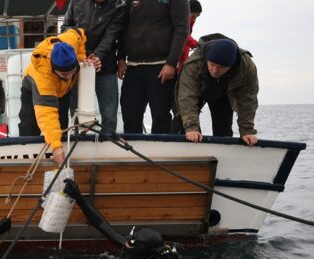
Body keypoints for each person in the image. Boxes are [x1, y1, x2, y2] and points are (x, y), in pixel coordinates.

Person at [63, 179, 181, 259]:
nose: (128, 239)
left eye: (132, 240)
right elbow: (101, 224)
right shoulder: (131, 247)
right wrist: (79, 198)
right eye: (131, 234)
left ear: (142, 248)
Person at [17, 28, 94, 165]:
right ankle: (27, 160)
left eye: (72, 71)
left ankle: (61, 151)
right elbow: (47, 114)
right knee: (29, 125)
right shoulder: (44, 76)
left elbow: (80, 33)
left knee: (62, 123)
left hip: (62, 90)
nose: (69, 76)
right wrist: (56, 147)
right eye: (65, 74)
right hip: (33, 88)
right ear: (54, 69)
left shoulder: (71, 41)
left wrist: (82, 56)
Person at [172, 34, 259, 146]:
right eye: (212, 65)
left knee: (223, 127)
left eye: (220, 67)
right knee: (181, 122)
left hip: (223, 92)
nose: (214, 70)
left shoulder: (246, 67)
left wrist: (247, 131)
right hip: (198, 90)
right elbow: (187, 96)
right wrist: (192, 127)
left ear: (231, 65)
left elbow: (248, 100)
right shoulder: (194, 63)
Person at [118, 0, 189, 134]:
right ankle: (132, 152)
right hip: (133, 66)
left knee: (160, 115)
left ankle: (161, 152)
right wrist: (121, 57)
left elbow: (182, 29)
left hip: (161, 66)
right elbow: (123, 27)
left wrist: (171, 63)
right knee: (129, 113)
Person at [62, 0, 128, 132]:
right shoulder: (75, 2)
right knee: (77, 115)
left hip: (105, 67)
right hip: (77, 69)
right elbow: (64, 28)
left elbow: (112, 34)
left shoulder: (120, 5)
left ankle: (107, 145)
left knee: (109, 116)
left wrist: (97, 55)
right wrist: (81, 55)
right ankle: (79, 143)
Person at [176, 1, 202, 74]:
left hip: (181, 64)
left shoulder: (189, 28)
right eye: (193, 16)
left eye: (196, 17)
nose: (194, 20)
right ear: (186, 12)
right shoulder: (178, 24)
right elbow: (184, 36)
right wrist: (197, 44)